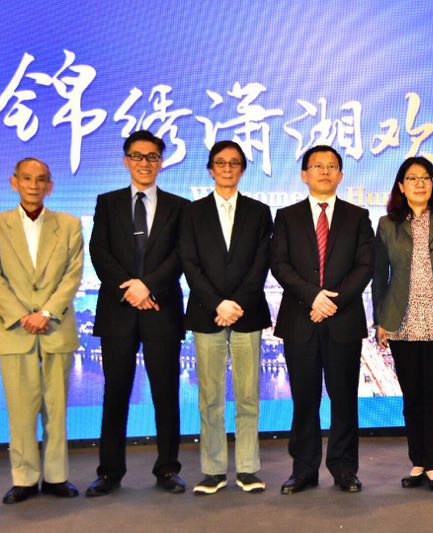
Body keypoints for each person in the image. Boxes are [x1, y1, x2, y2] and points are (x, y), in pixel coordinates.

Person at [86, 130, 189, 496]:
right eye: (137, 156)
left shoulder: (180, 206)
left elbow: (181, 255)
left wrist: (148, 286)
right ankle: (109, 472)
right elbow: (99, 252)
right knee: (115, 393)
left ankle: (168, 469)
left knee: (166, 393)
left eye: (152, 157)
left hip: (162, 309)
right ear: (126, 160)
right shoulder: (108, 202)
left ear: (161, 162)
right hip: (118, 311)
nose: (145, 163)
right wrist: (129, 289)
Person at [270, 145, 374, 494]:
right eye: (318, 166)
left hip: (343, 322)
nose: (325, 171)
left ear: (341, 175)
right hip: (300, 320)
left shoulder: (358, 216)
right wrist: (312, 296)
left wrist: (333, 302)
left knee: (344, 400)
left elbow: (365, 265)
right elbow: (279, 264)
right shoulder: (287, 216)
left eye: (332, 166)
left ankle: (345, 469)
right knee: (304, 400)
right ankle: (303, 470)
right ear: (304, 175)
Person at [0, 158, 83, 504]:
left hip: (56, 327)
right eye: (27, 178)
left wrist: (47, 312)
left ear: (50, 186)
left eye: (41, 180)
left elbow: (73, 275)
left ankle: (56, 477)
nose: (34, 185)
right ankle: (24, 478)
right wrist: (22, 316)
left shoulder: (69, 225)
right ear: (14, 183)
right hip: (15, 330)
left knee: (57, 408)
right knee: (21, 410)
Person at [372, 157, 433, 493]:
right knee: (412, 395)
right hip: (402, 321)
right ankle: (417, 461)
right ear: (401, 186)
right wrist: (380, 320)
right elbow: (379, 277)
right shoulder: (387, 224)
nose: (419, 184)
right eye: (412, 178)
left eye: (426, 178)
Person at [179, 140, 273, 494]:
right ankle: (213, 470)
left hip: (248, 313)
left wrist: (236, 303)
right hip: (207, 314)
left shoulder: (259, 211)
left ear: (243, 169)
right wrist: (218, 303)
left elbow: (261, 262)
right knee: (210, 397)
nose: (228, 168)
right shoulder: (192, 212)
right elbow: (190, 263)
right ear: (210, 169)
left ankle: (248, 469)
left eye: (235, 163)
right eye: (221, 162)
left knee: (248, 395)